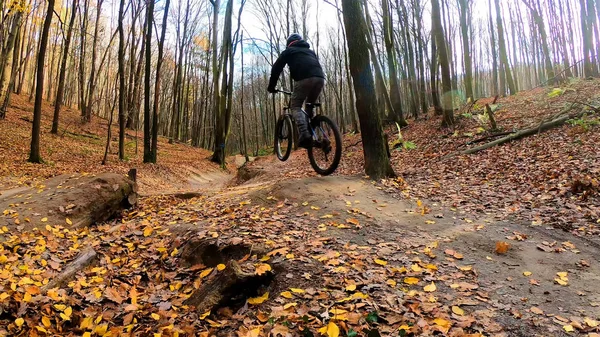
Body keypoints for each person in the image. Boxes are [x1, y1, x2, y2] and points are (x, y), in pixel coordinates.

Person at [268, 33, 325, 148]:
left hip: (304, 79)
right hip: (320, 78)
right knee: (309, 106)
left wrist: (271, 86)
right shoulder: (310, 51)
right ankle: (313, 134)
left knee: (295, 106)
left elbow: (276, 68)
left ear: (289, 43)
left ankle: (304, 134)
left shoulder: (289, 51)